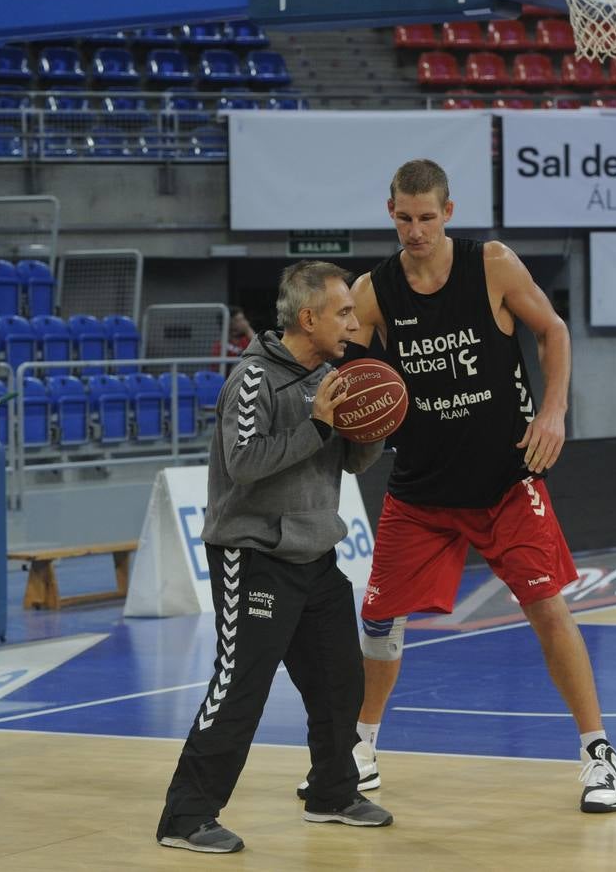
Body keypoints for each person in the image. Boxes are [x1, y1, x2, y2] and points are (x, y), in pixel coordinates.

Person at [301, 158, 616, 814]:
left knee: (547, 607)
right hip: (421, 487)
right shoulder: (372, 292)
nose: (415, 230)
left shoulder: (492, 265)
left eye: (427, 217)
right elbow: (345, 369)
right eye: (404, 218)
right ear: (390, 212)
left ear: (448, 212)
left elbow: (553, 330)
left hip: (506, 479)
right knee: (379, 618)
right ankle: (360, 749)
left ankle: (599, 754)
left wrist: (554, 410)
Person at [156, 261, 394, 854]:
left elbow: (350, 462)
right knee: (240, 687)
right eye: (343, 312)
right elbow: (244, 463)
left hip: (315, 552)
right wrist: (318, 424)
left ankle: (333, 793)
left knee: (340, 681)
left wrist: (370, 428)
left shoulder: (334, 375)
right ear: (308, 318)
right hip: (253, 553)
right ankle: (186, 817)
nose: (354, 323)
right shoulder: (252, 379)